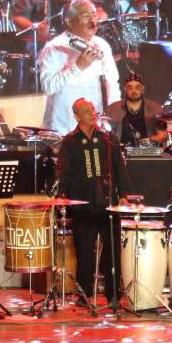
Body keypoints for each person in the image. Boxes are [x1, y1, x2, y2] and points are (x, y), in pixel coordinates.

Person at [55, 99, 128, 309]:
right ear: (77, 116)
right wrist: (62, 197)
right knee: (85, 252)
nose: (92, 114)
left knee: (112, 252)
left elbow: (119, 169)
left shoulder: (108, 139)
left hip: (108, 204)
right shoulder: (70, 141)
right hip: (82, 205)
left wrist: (123, 194)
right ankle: (84, 294)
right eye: (86, 111)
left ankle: (113, 294)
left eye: (93, 110)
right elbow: (63, 173)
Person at [38, 0, 120, 135]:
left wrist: (114, 111)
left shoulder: (102, 45)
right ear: (69, 21)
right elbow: (48, 86)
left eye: (94, 15)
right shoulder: (54, 48)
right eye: (86, 16)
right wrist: (77, 67)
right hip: (64, 131)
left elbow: (112, 82)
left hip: (97, 129)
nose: (93, 21)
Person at [104, 73, 167, 145]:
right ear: (125, 88)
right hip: (120, 152)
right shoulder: (112, 109)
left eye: (137, 87)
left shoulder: (155, 109)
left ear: (143, 88)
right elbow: (105, 135)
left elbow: (163, 136)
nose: (134, 91)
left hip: (148, 152)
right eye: (130, 88)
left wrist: (143, 142)